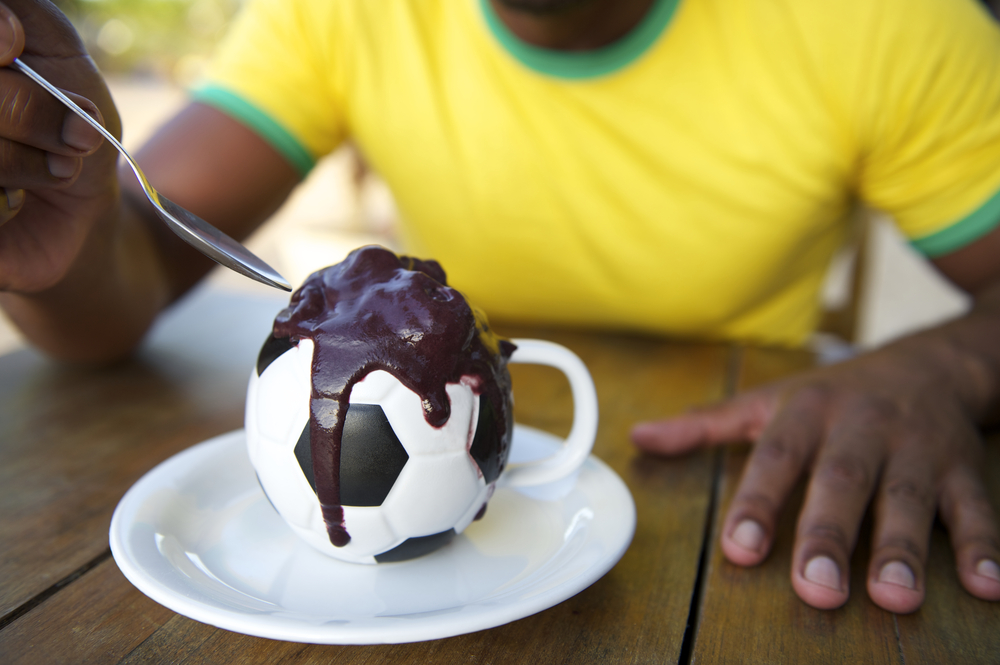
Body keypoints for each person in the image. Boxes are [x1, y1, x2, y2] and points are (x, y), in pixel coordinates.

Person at [0, 0, 998, 615]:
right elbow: (119, 275)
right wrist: (60, 210)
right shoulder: (343, 13)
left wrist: (944, 363)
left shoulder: (880, 20)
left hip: (723, 522)